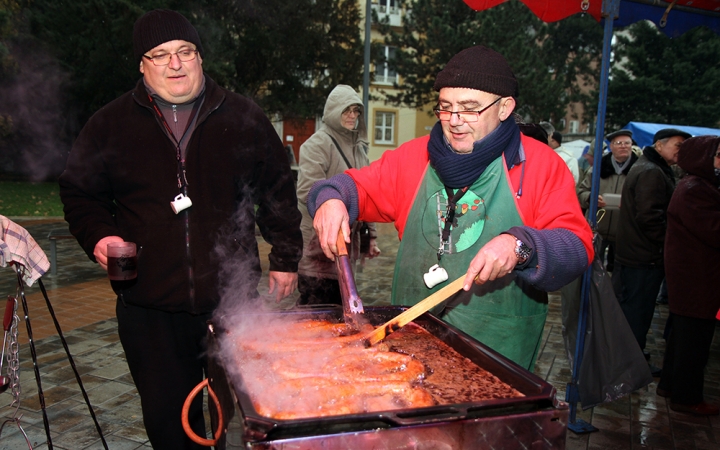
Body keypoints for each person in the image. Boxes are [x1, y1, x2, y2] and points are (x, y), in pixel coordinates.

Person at [58, 10, 302, 449]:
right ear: (142, 64)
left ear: (200, 58)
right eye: (161, 55)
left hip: (232, 304)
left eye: (185, 52)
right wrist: (99, 236)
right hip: (148, 308)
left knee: (242, 419)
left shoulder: (243, 115)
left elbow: (278, 189)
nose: (175, 64)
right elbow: (79, 193)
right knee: (170, 427)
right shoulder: (109, 124)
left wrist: (285, 257)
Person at [307, 45, 593, 370]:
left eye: (470, 109)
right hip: (412, 342)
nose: (454, 121)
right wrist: (331, 198)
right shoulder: (413, 158)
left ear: (505, 108)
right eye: (445, 107)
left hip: (498, 351)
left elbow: (576, 246)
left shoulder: (541, 165)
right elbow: (350, 186)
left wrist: (521, 246)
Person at [614, 128, 691, 377]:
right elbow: (650, 217)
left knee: (634, 310)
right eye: (677, 145)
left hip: (638, 254)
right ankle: (631, 364)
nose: (681, 151)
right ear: (659, 145)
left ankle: (631, 356)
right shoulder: (651, 171)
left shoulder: (651, 167)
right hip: (643, 257)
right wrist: (667, 243)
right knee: (637, 312)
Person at [296, 85, 380, 305]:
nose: (352, 116)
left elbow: (367, 191)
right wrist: (333, 202)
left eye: (356, 111)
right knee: (316, 314)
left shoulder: (359, 148)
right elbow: (307, 190)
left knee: (340, 312)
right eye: (346, 110)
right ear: (334, 111)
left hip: (347, 249)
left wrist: (371, 236)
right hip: (319, 250)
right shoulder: (317, 144)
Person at [656, 135, 720, 416]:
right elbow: (714, 230)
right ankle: (686, 396)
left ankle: (671, 385)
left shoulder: (696, 186)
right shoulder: (695, 189)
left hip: (693, 277)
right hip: (696, 278)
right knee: (694, 342)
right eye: (717, 156)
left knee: (683, 338)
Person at [577, 129, 638, 272]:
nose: (623, 146)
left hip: (625, 230)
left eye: (627, 143)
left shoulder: (638, 170)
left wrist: (630, 203)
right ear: (611, 146)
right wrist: (591, 198)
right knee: (591, 268)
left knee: (619, 271)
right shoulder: (597, 168)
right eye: (619, 143)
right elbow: (580, 192)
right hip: (597, 227)